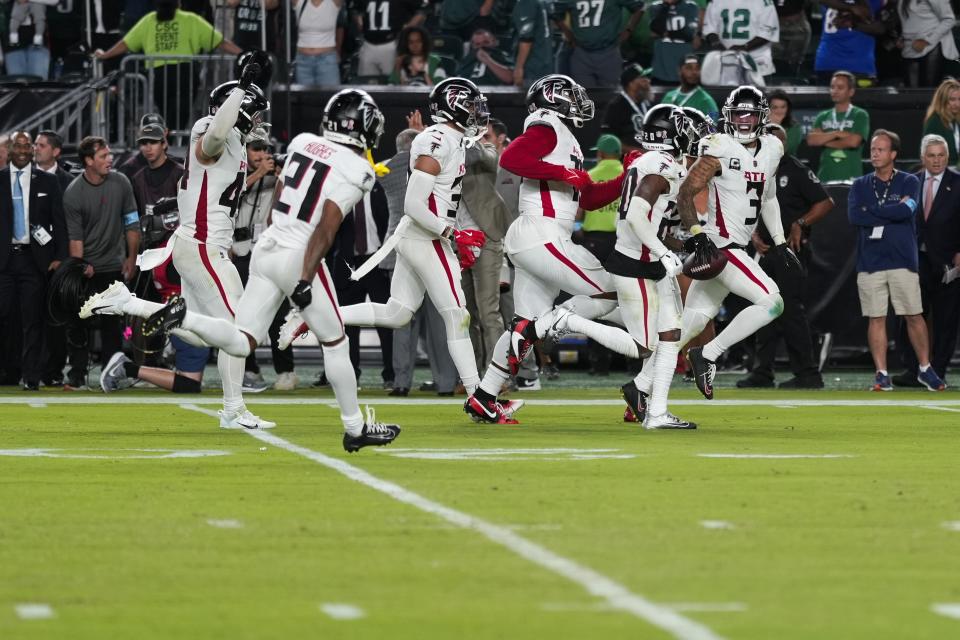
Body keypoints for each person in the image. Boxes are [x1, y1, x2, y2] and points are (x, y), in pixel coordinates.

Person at [129, 89, 402, 451]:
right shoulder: (357, 168)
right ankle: (354, 428)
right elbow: (327, 226)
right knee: (335, 342)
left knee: (241, 340)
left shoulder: (304, 143)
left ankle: (184, 319)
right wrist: (304, 278)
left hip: (267, 249)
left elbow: (277, 200)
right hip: (297, 255)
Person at [81, 66, 274, 427]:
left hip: (200, 244)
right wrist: (242, 89)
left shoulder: (235, 140)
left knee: (200, 335)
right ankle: (233, 410)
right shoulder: (210, 129)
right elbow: (215, 136)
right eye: (255, 111)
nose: (259, 120)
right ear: (238, 107)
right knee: (239, 331)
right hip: (202, 245)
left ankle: (129, 303)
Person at [465, 74, 647, 423]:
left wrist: (626, 177)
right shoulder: (546, 126)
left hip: (539, 237)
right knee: (613, 290)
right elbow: (512, 159)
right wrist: (563, 172)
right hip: (542, 233)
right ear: (553, 99)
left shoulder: (565, 138)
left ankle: (484, 397)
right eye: (570, 95)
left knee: (526, 323)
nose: (578, 101)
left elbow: (590, 197)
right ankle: (637, 385)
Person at [320, 78, 492, 411]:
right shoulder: (437, 139)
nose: (476, 111)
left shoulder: (451, 139)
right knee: (457, 315)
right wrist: (454, 234)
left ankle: (321, 317)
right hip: (425, 236)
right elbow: (415, 204)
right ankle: (479, 398)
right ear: (453, 105)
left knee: (397, 313)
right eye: (471, 104)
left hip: (422, 236)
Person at [671, 85, 793, 401]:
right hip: (721, 246)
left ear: (761, 116)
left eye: (750, 113)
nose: (744, 119)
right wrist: (698, 236)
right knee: (772, 302)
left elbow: (769, 197)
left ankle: (640, 387)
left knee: (689, 323)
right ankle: (707, 354)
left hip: (734, 247)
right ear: (728, 115)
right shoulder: (719, 147)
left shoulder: (772, 148)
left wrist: (779, 242)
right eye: (738, 112)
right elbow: (685, 192)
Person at [847, 129, 945, 391]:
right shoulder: (860, 184)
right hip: (870, 262)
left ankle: (925, 368)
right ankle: (881, 373)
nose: (874, 154)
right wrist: (890, 211)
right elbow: (856, 217)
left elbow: (907, 210)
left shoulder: (910, 181)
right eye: (873, 150)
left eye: (880, 150)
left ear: (893, 154)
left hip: (902, 260)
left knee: (914, 314)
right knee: (876, 318)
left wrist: (875, 211)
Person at [737, 123, 833, 389]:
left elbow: (826, 202)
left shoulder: (797, 170)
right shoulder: (756, 168)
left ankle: (808, 373)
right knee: (763, 308)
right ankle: (762, 371)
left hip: (792, 251)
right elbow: (752, 206)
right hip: (767, 250)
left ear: (784, 144)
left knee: (790, 311)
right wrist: (754, 234)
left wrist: (800, 222)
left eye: (776, 141)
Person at [63, 136, 141, 390]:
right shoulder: (73, 192)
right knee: (79, 321)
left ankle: (113, 373)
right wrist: (81, 266)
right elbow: (75, 238)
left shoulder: (121, 183)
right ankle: (77, 373)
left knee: (112, 324)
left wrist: (131, 258)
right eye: (103, 156)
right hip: (86, 268)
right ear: (88, 161)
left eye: (109, 154)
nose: (110, 159)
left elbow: (131, 224)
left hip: (114, 266)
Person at [94, 0, 243, 130]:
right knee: (178, 115)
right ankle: (171, 139)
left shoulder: (149, 20)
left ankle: (169, 139)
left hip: (160, 75)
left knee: (167, 113)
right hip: (185, 74)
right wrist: (244, 54)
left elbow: (125, 44)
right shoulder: (190, 19)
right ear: (179, 3)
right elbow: (221, 42)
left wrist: (105, 55)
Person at [0, 131, 67, 390]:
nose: (21, 150)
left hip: (34, 260)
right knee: (5, 316)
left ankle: (31, 375)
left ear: (31, 151)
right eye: (16, 145)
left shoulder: (48, 182)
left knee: (33, 320)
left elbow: (59, 223)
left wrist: (60, 257)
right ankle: (8, 370)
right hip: (3, 262)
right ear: (8, 150)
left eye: (26, 145)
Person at [892, 134, 960, 386]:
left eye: (941, 155)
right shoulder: (911, 182)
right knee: (910, 314)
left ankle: (938, 370)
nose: (937, 160)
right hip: (914, 259)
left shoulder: (957, 182)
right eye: (931, 155)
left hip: (947, 261)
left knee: (946, 320)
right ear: (922, 158)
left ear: (947, 157)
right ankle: (914, 369)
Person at [232, 132, 294, 391]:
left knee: (278, 314)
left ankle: (286, 371)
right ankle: (250, 369)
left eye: (264, 149)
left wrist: (278, 174)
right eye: (255, 148)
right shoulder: (235, 172)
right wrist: (258, 174)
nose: (260, 154)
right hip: (241, 250)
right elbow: (231, 194)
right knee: (242, 313)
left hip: (268, 250)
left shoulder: (278, 176)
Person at [459, 122, 511, 372]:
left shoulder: (481, 147)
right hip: (454, 239)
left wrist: (461, 137)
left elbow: (486, 157)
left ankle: (496, 376)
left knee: (489, 312)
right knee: (464, 315)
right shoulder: (438, 147)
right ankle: (472, 375)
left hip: (486, 236)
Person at [333, 181, 395, 388]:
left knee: (386, 323)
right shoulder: (339, 192)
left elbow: (390, 223)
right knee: (348, 324)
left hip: (377, 262)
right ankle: (351, 376)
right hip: (348, 264)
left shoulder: (380, 188)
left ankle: (390, 375)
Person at [553, 0, 644, 88]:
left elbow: (639, 7)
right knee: (585, 97)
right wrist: (568, 34)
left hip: (608, 51)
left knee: (611, 96)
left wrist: (629, 30)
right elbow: (554, 11)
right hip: (582, 53)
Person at [806, 71, 870, 183]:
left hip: (852, 178)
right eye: (832, 87)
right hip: (825, 177)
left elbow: (854, 142)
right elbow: (812, 140)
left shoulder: (860, 114)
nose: (834, 91)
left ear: (851, 91)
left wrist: (824, 140)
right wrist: (836, 134)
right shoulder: (823, 116)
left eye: (840, 87)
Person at [703, 0, 780, 79]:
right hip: (725, 61)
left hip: (757, 61)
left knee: (756, 91)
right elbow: (709, 29)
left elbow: (767, 32)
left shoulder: (764, 2)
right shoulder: (715, 1)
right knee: (725, 91)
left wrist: (744, 47)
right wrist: (717, 44)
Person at [814, 0, 884, 83]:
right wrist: (851, 8)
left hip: (828, 63)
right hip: (858, 65)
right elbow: (880, 28)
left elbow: (880, 29)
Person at [352, 0, 427, 77]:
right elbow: (355, 9)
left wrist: (407, 29)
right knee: (366, 83)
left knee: (393, 83)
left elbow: (421, 11)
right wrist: (359, 21)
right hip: (368, 43)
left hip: (391, 43)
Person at [127, 122, 184, 219]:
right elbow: (135, 216)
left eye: (153, 142)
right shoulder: (137, 179)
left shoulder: (180, 173)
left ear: (164, 144)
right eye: (144, 143)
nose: (148, 148)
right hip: (147, 233)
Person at [898, 0, 956, 88]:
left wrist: (927, 41)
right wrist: (902, 37)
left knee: (928, 91)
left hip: (932, 46)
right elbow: (910, 20)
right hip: (910, 47)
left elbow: (949, 19)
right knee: (910, 93)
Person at [601, 64, 653, 153]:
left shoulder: (648, 105)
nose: (648, 81)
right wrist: (641, 152)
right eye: (643, 79)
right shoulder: (616, 106)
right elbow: (609, 141)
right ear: (631, 84)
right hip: (627, 161)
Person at [648, 0, 701, 84]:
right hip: (660, 69)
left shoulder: (690, 6)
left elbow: (688, 34)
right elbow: (656, 28)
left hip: (684, 69)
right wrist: (666, 6)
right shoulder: (656, 6)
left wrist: (665, 33)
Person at [294, 0, 343, 86]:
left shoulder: (334, 2)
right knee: (305, 99)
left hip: (327, 61)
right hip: (303, 62)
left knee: (329, 97)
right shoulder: (299, 1)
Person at [659, 54, 719, 119]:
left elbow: (712, 127)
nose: (694, 72)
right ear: (679, 71)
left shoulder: (706, 101)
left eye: (697, 68)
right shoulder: (668, 97)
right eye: (689, 68)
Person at [512, 0, 554, 88]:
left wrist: (519, 67)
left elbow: (526, 40)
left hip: (532, 68)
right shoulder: (544, 2)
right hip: (546, 65)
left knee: (530, 100)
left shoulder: (526, 3)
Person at [922, 78, 960, 166]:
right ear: (942, 100)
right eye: (952, 99)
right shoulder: (935, 122)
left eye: (959, 99)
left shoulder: (956, 120)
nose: (957, 104)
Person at [773, 0, 813, 72]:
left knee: (794, 61)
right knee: (774, 61)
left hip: (797, 25)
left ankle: (794, 79)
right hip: (774, 24)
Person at [767, 89, 803, 156]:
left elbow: (786, 150)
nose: (779, 111)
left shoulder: (794, 127)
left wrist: (776, 127)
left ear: (788, 108)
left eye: (783, 107)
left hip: (785, 164)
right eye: (775, 107)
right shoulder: (759, 125)